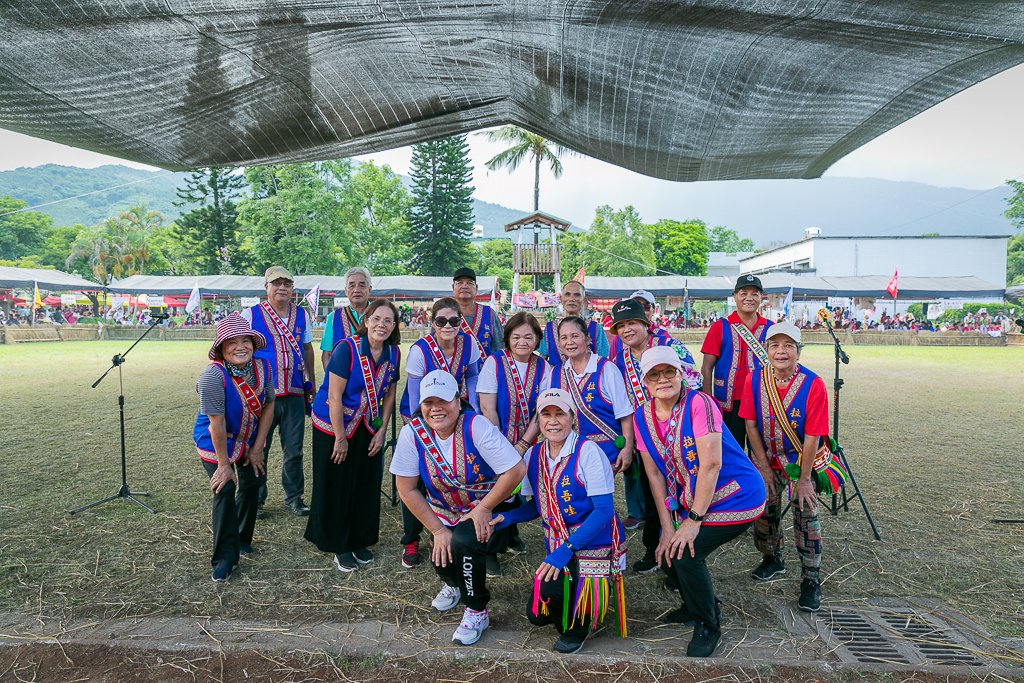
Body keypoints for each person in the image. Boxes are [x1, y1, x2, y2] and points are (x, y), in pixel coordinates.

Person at [633, 346, 766, 658]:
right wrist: (667, 527)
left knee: (686, 553)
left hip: (737, 494)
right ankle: (694, 605)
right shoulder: (642, 416)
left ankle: (708, 624)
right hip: (695, 497)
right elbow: (654, 474)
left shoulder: (699, 402)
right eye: (654, 374)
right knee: (664, 550)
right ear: (645, 382)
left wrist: (692, 522)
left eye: (669, 372)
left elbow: (711, 466)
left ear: (681, 374)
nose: (662, 379)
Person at [390, 370, 527, 646]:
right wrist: (437, 530)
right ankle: (453, 584)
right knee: (439, 557)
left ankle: (476, 610)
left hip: (488, 508)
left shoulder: (476, 425)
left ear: (458, 399)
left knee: (464, 542)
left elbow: (516, 470)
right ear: (421, 406)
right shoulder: (411, 433)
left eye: (443, 400)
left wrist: (483, 509)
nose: (436, 408)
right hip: (444, 513)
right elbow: (406, 488)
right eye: (428, 402)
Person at [490, 388, 627, 654]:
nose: (553, 421)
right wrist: (507, 518)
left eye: (560, 414)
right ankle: (574, 599)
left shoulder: (588, 452)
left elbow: (603, 511)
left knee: (560, 607)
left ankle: (579, 627)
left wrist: (564, 551)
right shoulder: (534, 455)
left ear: (572, 418)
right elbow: (538, 507)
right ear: (538, 422)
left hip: (593, 539)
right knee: (537, 616)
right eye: (546, 415)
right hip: (560, 542)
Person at [306, 299, 401, 571]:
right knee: (337, 483)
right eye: (376, 319)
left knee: (365, 482)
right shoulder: (346, 349)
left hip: (368, 426)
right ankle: (339, 543)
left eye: (388, 320)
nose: (381, 325)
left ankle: (360, 538)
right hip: (334, 425)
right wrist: (339, 438)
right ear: (366, 321)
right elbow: (334, 397)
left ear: (394, 326)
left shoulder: (393, 353)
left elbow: (391, 393)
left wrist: (382, 431)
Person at [608, 299, 701, 575]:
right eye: (621, 326)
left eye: (632, 323)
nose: (627, 330)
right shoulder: (619, 359)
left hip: (679, 429)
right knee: (652, 492)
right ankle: (653, 548)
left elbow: (693, 380)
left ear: (645, 324)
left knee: (685, 491)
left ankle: (686, 551)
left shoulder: (669, 345)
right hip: (646, 436)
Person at [740, 322, 827, 612]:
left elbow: (813, 436)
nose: (781, 351)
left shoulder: (814, 384)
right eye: (775, 345)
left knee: (806, 508)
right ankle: (772, 558)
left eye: (788, 345)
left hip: (799, 459)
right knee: (763, 505)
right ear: (766, 351)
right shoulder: (755, 379)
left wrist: (804, 479)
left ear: (798, 352)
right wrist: (763, 468)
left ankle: (810, 578)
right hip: (765, 456)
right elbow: (750, 424)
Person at [397, 297, 482, 569]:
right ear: (432, 322)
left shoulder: (468, 344)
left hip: (453, 412)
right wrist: (422, 431)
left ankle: (446, 526)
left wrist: (474, 414)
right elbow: (413, 400)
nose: (448, 325)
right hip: (423, 413)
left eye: (454, 320)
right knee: (418, 477)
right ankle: (411, 539)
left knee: (450, 472)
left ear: (461, 321)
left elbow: (472, 378)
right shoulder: (420, 350)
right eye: (441, 320)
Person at [193, 313, 276, 583]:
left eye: (245, 340)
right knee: (225, 488)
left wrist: (258, 448)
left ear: (253, 343)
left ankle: (242, 538)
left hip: (249, 438)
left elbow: (269, 406)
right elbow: (216, 424)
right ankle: (224, 558)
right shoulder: (212, 377)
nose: (240, 347)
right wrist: (224, 465)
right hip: (218, 441)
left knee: (253, 481)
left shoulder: (263, 367)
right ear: (221, 348)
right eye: (232, 342)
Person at [478, 311, 554, 566]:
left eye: (529, 337)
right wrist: (500, 446)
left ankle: (510, 534)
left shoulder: (544, 367)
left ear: (537, 339)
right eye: (516, 336)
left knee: (523, 488)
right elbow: (487, 407)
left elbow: (543, 410)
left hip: (530, 438)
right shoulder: (494, 362)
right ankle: (490, 551)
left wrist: (522, 444)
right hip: (496, 436)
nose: (522, 342)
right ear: (507, 338)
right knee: (497, 489)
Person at [243, 266, 316, 518]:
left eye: (287, 283)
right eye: (276, 283)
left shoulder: (301, 315)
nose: (282, 287)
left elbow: (307, 349)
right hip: (262, 396)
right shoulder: (251, 314)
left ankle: (294, 498)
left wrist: (312, 383)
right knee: (258, 448)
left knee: (294, 449)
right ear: (266, 287)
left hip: (295, 392)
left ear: (292, 289)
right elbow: (238, 348)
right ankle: (256, 499)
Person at [550, 316, 635, 487]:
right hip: (571, 451)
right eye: (564, 338)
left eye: (575, 336)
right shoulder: (556, 373)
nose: (569, 342)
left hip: (604, 450)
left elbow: (625, 413)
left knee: (597, 501)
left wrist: (627, 449)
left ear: (588, 338)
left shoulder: (606, 368)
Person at [700, 274, 772, 450]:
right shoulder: (720, 327)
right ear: (734, 296)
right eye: (743, 293)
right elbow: (707, 368)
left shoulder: (771, 328)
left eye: (755, 294)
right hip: (728, 403)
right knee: (732, 451)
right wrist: (709, 403)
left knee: (761, 450)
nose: (749, 298)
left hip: (761, 400)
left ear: (761, 297)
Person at [538, 281, 609, 366]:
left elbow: (603, 362)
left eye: (577, 295)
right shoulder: (550, 329)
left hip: (589, 378)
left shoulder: (596, 329)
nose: (571, 299)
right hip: (556, 378)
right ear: (561, 299)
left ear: (584, 300)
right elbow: (541, 360)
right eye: (567, 294)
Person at [321, 267, 372, 370]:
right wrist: (334, 382)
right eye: (352, 286)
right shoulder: (334, 317)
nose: (356, 290)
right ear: (346, 291)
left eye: (362, 286)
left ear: (369, 289)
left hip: (373, 381)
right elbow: (326, 355)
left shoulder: (378, 315)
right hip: (342, 381)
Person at [452, 267, 504, 359]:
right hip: (453, 371)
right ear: (453, 288)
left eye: (469, 283)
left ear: (476, 288)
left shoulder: (489, 314)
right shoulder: (444, 313)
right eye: (459, 283)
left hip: (485, 371)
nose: (464, 286)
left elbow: (499, 347)